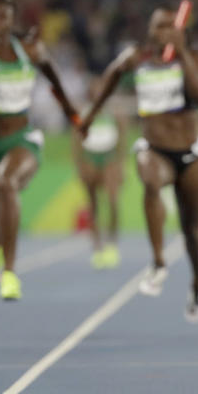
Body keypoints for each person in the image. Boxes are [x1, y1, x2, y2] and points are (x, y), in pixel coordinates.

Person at [81, 7, 198, 323]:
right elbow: (110, 77)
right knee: (150, 181)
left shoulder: (192, 57)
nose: (166, 30)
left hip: (189, 152)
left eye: (171, 25)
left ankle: (196, 284)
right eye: (160, 26)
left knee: (192, 230)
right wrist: (91, 115)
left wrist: (180, 53)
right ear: (150, 31)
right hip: (154, 148)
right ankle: (158, 263)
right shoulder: (137, 58)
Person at [0, 0, 81, 301]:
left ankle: (9, 274)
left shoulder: (29, 48)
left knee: (7, 182)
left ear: (12, 20)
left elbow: (54, 79)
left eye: (3, 16)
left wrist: (72, 113)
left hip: (21, 138)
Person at [73, 77, 127, 269]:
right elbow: (76, 138)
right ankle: (97, 247)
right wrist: (79, 164)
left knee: (112, 201)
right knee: (93, 204)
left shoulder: (114, 110)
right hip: (90, 157)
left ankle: (112, 244)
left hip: (109, 157)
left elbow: (122, 136)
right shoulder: (82, 111)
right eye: (95, 88)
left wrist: (122, 164)